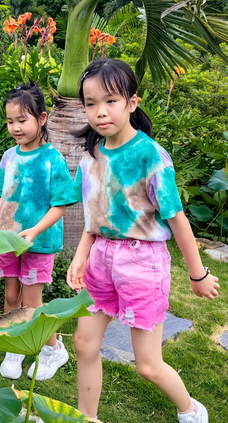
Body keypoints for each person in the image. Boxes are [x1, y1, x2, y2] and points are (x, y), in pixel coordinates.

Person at [66, 59, 220, 423]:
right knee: (84, 343)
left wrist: (197, 276)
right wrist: (80, 256)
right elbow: (94, 217)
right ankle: (86, 418)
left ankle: (192, 411)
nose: (100, 112)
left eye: (110, 101)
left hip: (142, 263)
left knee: (148, 365)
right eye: (90, 103)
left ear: (132, 103)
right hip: (100, 260)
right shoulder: (91, 158)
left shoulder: (151, 157)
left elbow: (177, 219)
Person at [0, 81, 76, 380]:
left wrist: (34, 231)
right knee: (11, 293)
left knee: (32, 300)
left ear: (42, 119)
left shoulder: (53, 159)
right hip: (7, 239)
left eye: (22, 120)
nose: (15, 127)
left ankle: (54, 349)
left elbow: (60, 206)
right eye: (10, 121)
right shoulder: (9, 156)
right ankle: (14, 344)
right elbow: (3, 196)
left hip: (38, 243)